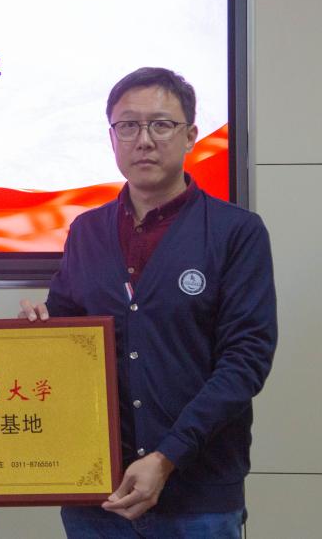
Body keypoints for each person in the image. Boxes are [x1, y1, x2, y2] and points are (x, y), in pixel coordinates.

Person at [20, 67, 277, 538]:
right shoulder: (86, 231)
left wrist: (167, 456)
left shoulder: (236, 232)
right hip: (98, 495)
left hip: (199, 495)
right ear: (112, 137)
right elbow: (68, 341)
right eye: (128, 126)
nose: (144, 140)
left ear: (191, 136)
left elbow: (246, 361)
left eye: (161, 124)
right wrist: (40, 328)